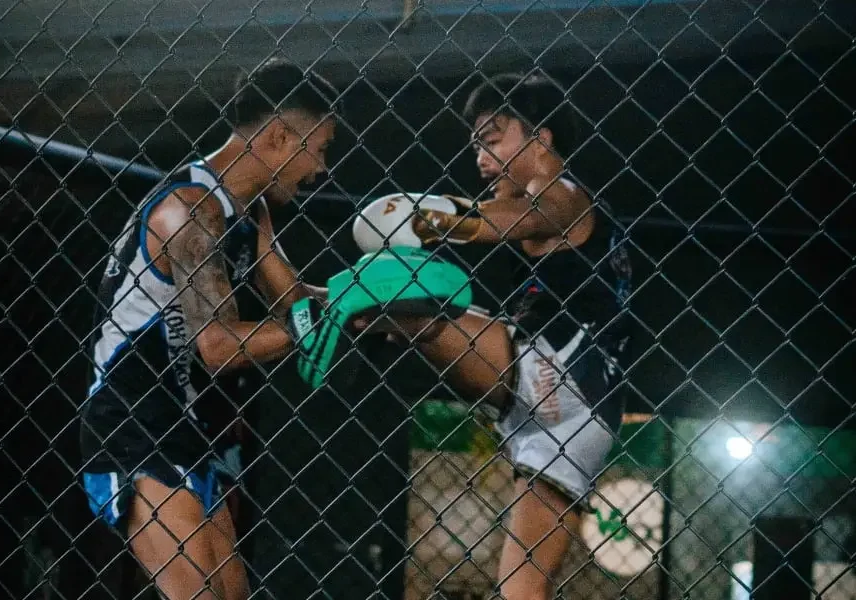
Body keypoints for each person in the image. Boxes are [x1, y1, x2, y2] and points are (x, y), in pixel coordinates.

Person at [354, 73, 633, 600]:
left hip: (559, 375)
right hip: (583, 410)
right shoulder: (564, 207)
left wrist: (427, 218)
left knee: (407, 299)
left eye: (492, 138)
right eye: (475, 143)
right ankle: (343, 309)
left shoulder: (562, 194)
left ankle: (343, 312)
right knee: (521, 586)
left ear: (540, 139)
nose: (480, 156)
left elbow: (518, 218)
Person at [79, 58, 339, 600]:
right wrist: (325, 315)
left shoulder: (251, 213)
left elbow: (293, 302)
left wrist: (365, 293)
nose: (321, 168)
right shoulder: (190, 210)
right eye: (317, 149)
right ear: (277, 137)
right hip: (131, 425)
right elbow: (218, 345)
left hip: (191, 428)